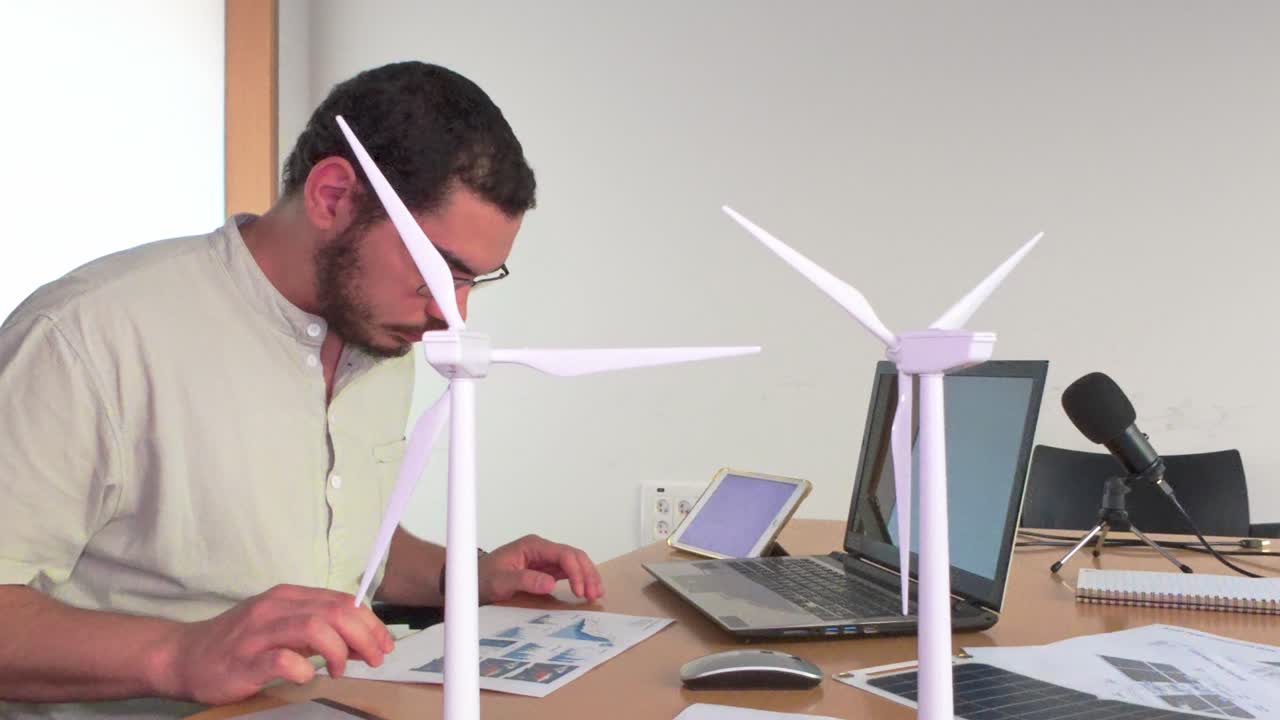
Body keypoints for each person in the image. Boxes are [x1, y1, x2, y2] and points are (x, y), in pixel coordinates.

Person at [0, 61, 603, 718]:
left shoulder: (378, 331)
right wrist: (182, 653)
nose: (452, 315)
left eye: (474, 283)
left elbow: (336, 539)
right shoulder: (86, 338)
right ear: (333, 196)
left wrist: (466, 575)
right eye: (440, 270)